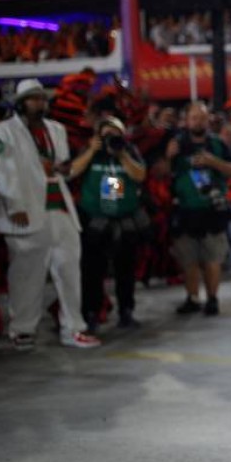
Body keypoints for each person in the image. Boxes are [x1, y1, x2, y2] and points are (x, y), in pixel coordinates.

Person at [0, 79, 99, 350]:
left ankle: (73, 327)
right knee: (26, 274)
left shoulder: (57, 129)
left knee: (69, 269)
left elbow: (61, 166)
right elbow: (2, 171)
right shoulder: (3, 133)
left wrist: (65, 168)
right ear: (20, 103)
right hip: (25, 211)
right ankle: (22, 329)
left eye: (42, 98)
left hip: (59, 207)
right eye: (33, 99)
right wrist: (14, 205)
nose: (39, 103)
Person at [166, 102, 231, 314]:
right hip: (185, 209)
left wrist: (214, 162)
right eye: (194, 118)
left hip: (213, 208)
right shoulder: (177, 144)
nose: (198, 122)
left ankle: (212, 298)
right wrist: (168, 156)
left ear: (208, 120)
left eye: (202, 118)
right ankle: (192, 298)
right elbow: (160, 173)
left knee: (212, 258)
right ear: (186, 120)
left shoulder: (218, 145)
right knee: (188, 259)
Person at [75, 116, 148, 330]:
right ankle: (91, 313)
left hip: (124, 218)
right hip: (95, 218)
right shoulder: (90, 151)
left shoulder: (129, 150)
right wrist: (90, 151)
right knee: (92, 270)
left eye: (115, 134)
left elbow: (140, 175)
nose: (111, 138)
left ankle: (126, 311)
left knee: (125, 268)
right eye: (106, 134)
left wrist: (122, 153)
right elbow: (72, 171)